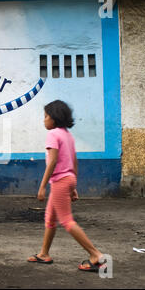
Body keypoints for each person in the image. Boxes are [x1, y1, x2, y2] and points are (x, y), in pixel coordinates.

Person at [28, 100, 104, 272]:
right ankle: (44, 254)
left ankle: (96, 255)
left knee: (67, 221)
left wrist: (41, 187)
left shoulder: (53, 134)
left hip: (60, 181)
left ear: (54, 118)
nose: (44, 120)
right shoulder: (68, 135)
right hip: (68, 179)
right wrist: (73, 186)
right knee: (50, 218)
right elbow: (74, 161)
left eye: (46, 116)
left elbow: (53, 161)